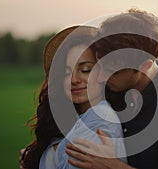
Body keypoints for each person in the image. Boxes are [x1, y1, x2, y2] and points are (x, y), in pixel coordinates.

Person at [65, 9, 158, 169]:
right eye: (100, 65)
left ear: (145, 66)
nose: (100, 78)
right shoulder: (109, 86)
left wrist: (113, 166)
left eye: (112, 72)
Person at [20, 25, 126, 169]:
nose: (74, 79)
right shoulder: (80, 119)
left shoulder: (101, 119)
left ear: (104, 72)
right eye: (66, 72)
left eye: (85, 70)